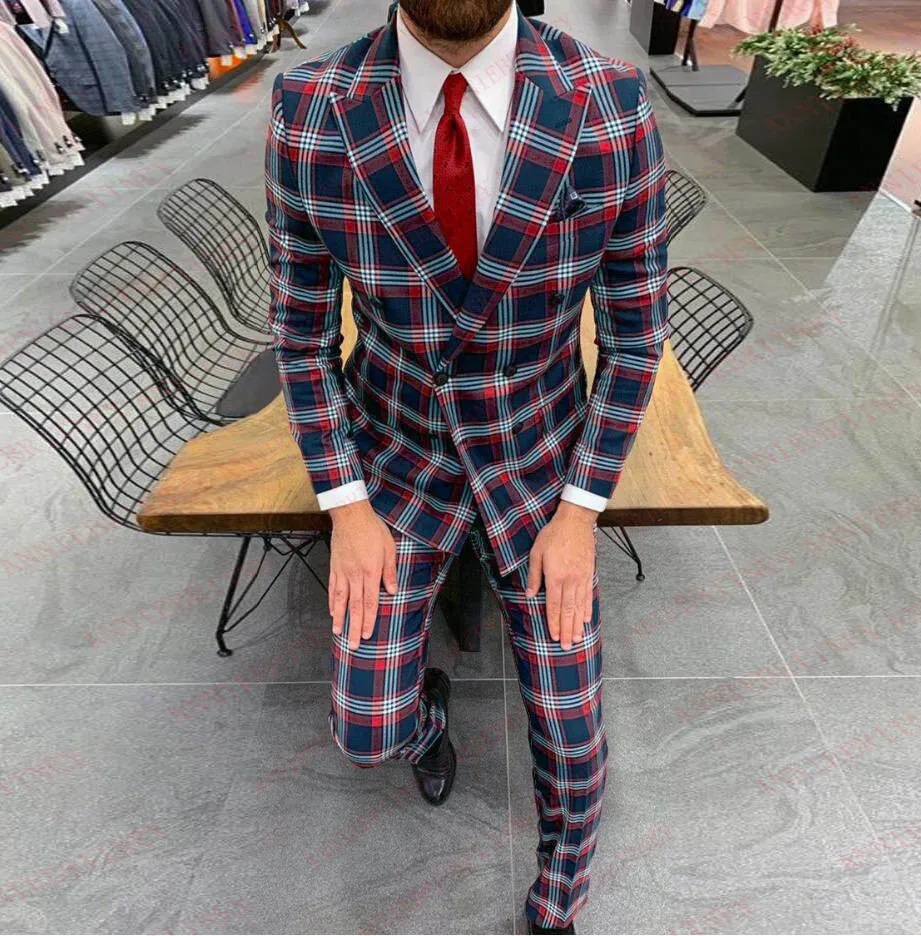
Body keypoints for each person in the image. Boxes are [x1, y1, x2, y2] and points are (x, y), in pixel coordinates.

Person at [264, 1, 668, 932]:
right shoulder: (311, 108)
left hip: (540, 457)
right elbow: (300, 335)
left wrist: (582, 508)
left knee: (572, 730)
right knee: (366, 727)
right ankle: (427, 721)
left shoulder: (609, 103)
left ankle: (561, 887)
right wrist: (345, 502)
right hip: (394, 453)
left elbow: (636, 337)